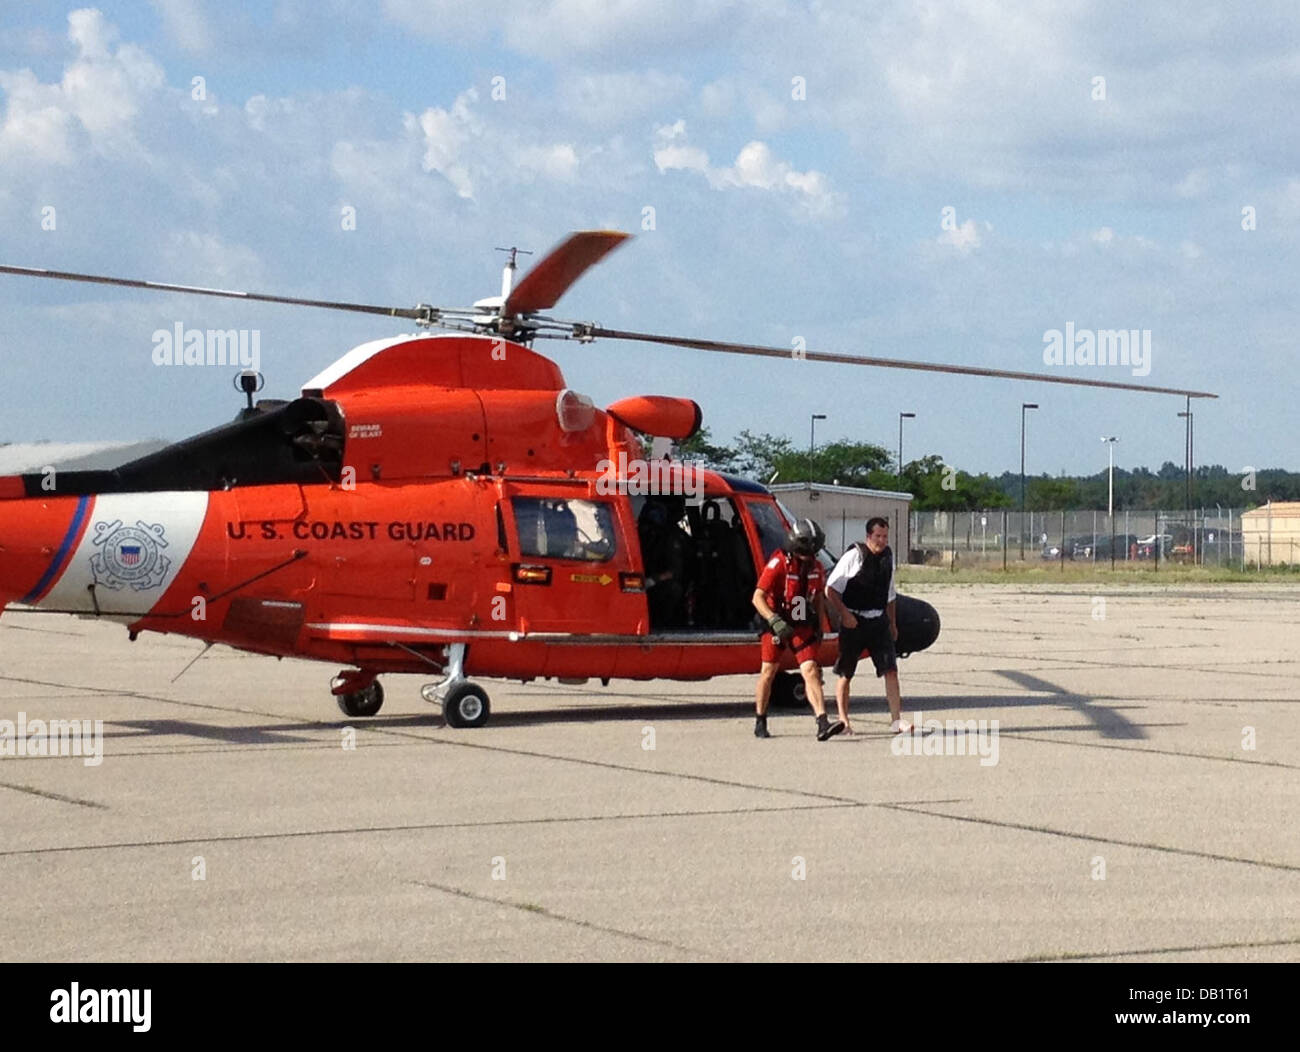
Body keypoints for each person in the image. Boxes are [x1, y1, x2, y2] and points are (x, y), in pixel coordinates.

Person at [751, 518, 844, 741]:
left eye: (812, 552)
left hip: (800, 621)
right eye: (804, 551)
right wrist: (774, 621)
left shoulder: (817, 568)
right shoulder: (778, 565)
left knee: (810, 669)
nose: (808, 557)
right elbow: (757, 597)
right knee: (768, 672)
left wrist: (820, 625)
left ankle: (822, 722)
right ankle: (760, 719)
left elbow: (818, 598)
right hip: (776, 623)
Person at [825, 516, 912, 734]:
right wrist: (844, 615)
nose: (881, 541)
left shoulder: (887, 558)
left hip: (878, 620)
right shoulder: (855, 557)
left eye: (884, 536)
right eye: (877, 536)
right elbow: (831, 589)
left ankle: (896, 721)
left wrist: (892, 623)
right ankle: (844, 721)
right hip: (854, 621)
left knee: (890, 670)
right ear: (868, 536)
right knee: (846, 673)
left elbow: (890, 594)